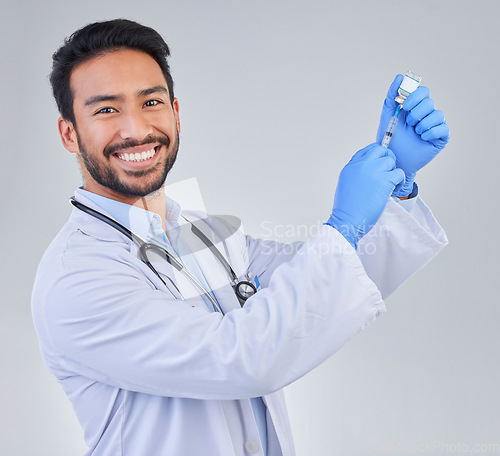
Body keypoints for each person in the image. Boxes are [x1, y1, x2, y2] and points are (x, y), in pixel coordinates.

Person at [32, 19, 450, 456]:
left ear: (175, 113)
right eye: (106, 110)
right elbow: (242, 356)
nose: (136, 129)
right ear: (69, 133)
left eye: (150, 102)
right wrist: (344, 223)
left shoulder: (203, 233)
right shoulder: (77, 276)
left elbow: (330, 277)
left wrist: (395, 186)